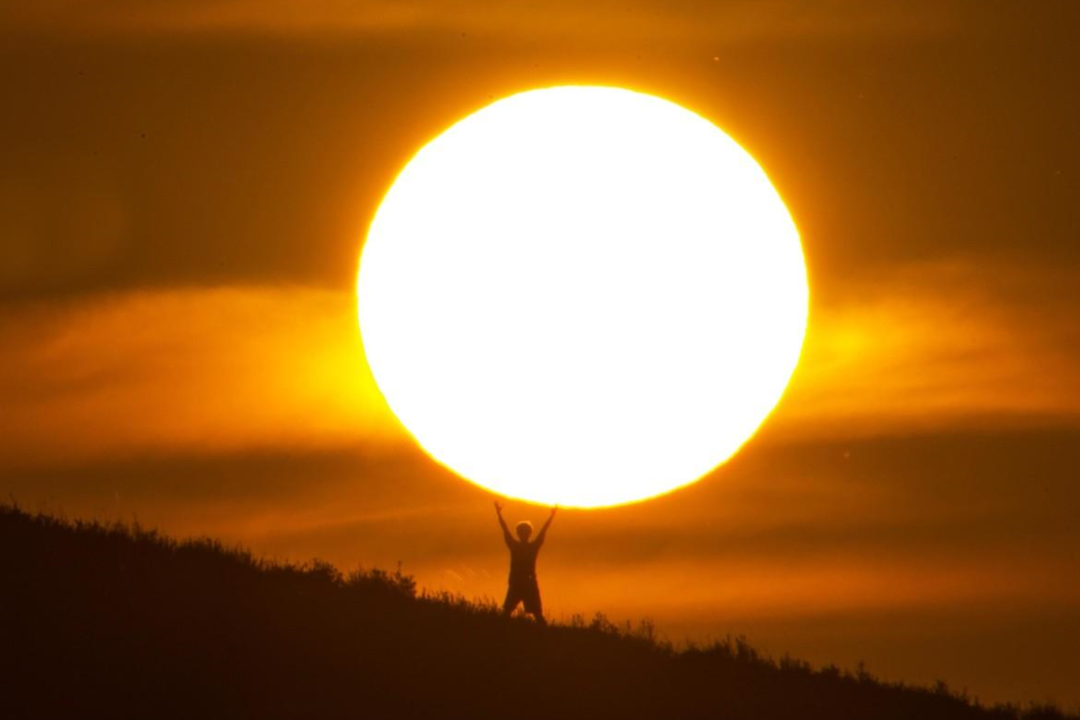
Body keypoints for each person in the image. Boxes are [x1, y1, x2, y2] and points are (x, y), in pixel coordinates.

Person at [494, 500, 557, 625]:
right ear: (529, 534)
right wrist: (552, 516)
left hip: (517, 582)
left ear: (518, 533)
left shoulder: (514, 546)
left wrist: (499, 514)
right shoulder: (533, 547)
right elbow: (543, 532)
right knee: (537, 615)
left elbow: (505, 530)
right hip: (528, 582)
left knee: (506, 612)